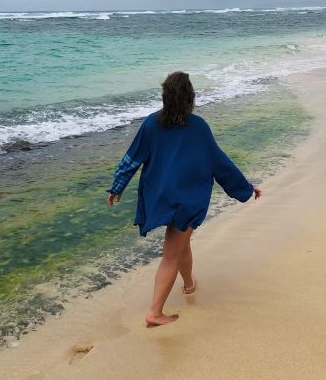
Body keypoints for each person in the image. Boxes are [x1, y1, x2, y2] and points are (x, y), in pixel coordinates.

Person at [107, 71, 261, 327]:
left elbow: (132, 158)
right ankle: (154, 313)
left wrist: (117, 186)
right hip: (188, 198)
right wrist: (245, 188)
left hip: (161, 195)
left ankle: (189, 284)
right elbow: (220, 163)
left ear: (165, 97)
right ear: (190, 97)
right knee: (171, 253)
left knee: (180, 243)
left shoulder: (151, 124)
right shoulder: (198, 127)